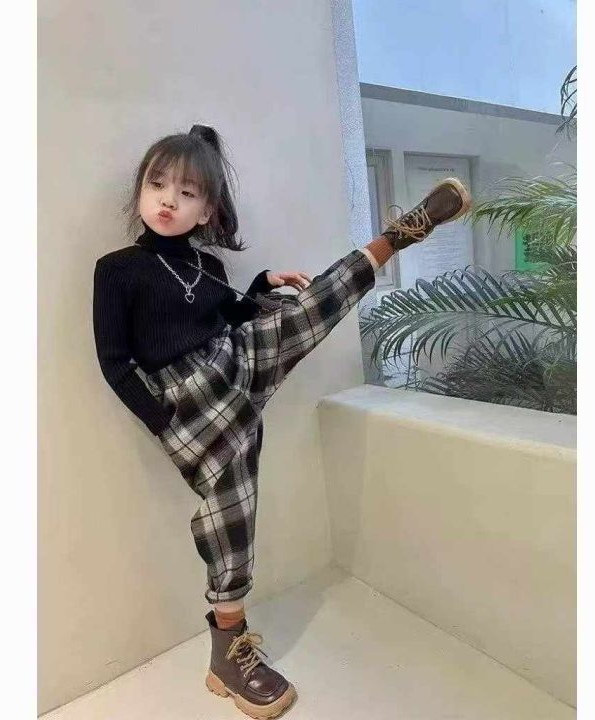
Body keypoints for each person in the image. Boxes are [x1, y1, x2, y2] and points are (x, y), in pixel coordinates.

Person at [92, 124, 471, 719]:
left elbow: (229, 315)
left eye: (186, 193)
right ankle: (228, 652)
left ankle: (399, 235)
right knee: (231, 513)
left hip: (237, 361)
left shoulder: (208, 266)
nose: (167, 200)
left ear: (206, 211)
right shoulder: (116, 270)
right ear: (140, 191)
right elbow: (115, 363)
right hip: (192, 404)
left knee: (307, 308)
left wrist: (259, 286)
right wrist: (162, 419)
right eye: (157, 185)